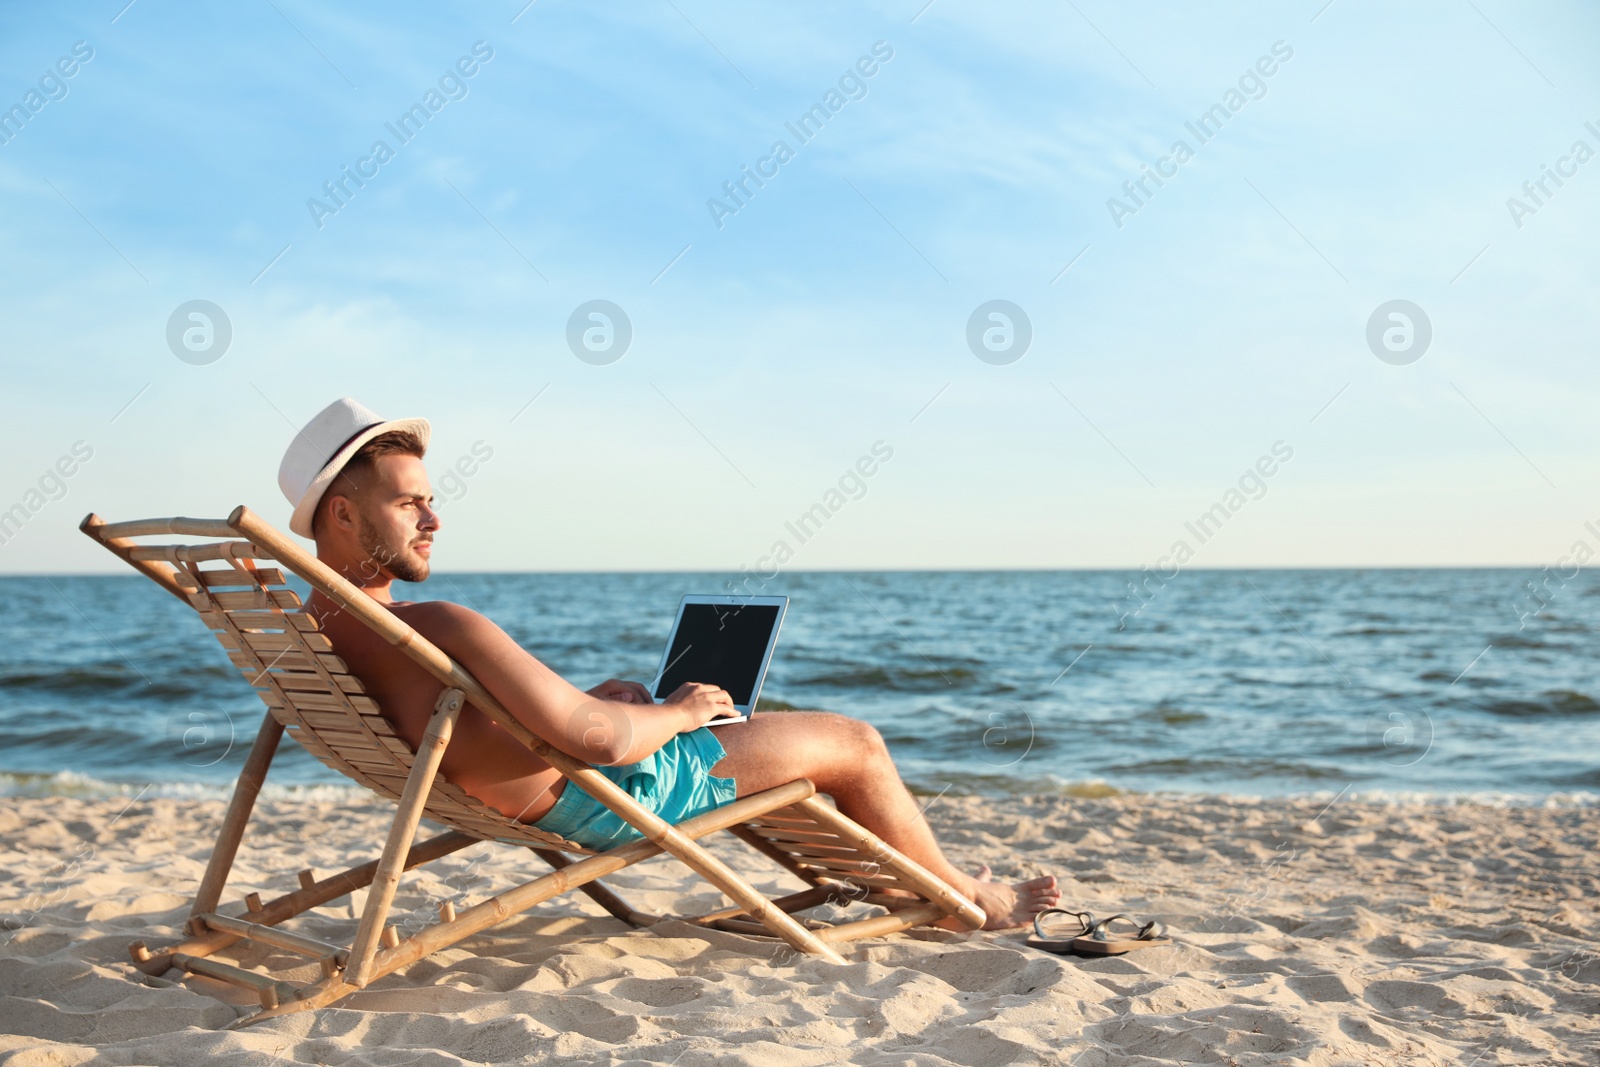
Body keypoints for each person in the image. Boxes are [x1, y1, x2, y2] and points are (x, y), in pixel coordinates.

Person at [278, 398, 1060, 929]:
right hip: (610, 792)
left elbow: (462, 716)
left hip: (527, 781)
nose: (435, 518)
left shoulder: (311, 629)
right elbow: (604, 744)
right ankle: (964, 895)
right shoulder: (437, 622)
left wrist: (587, 700)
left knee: (651, 705)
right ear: (342, 513)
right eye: (409, 502)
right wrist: (680, 712)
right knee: (854, 741)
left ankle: (905, 876)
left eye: (429, 499)